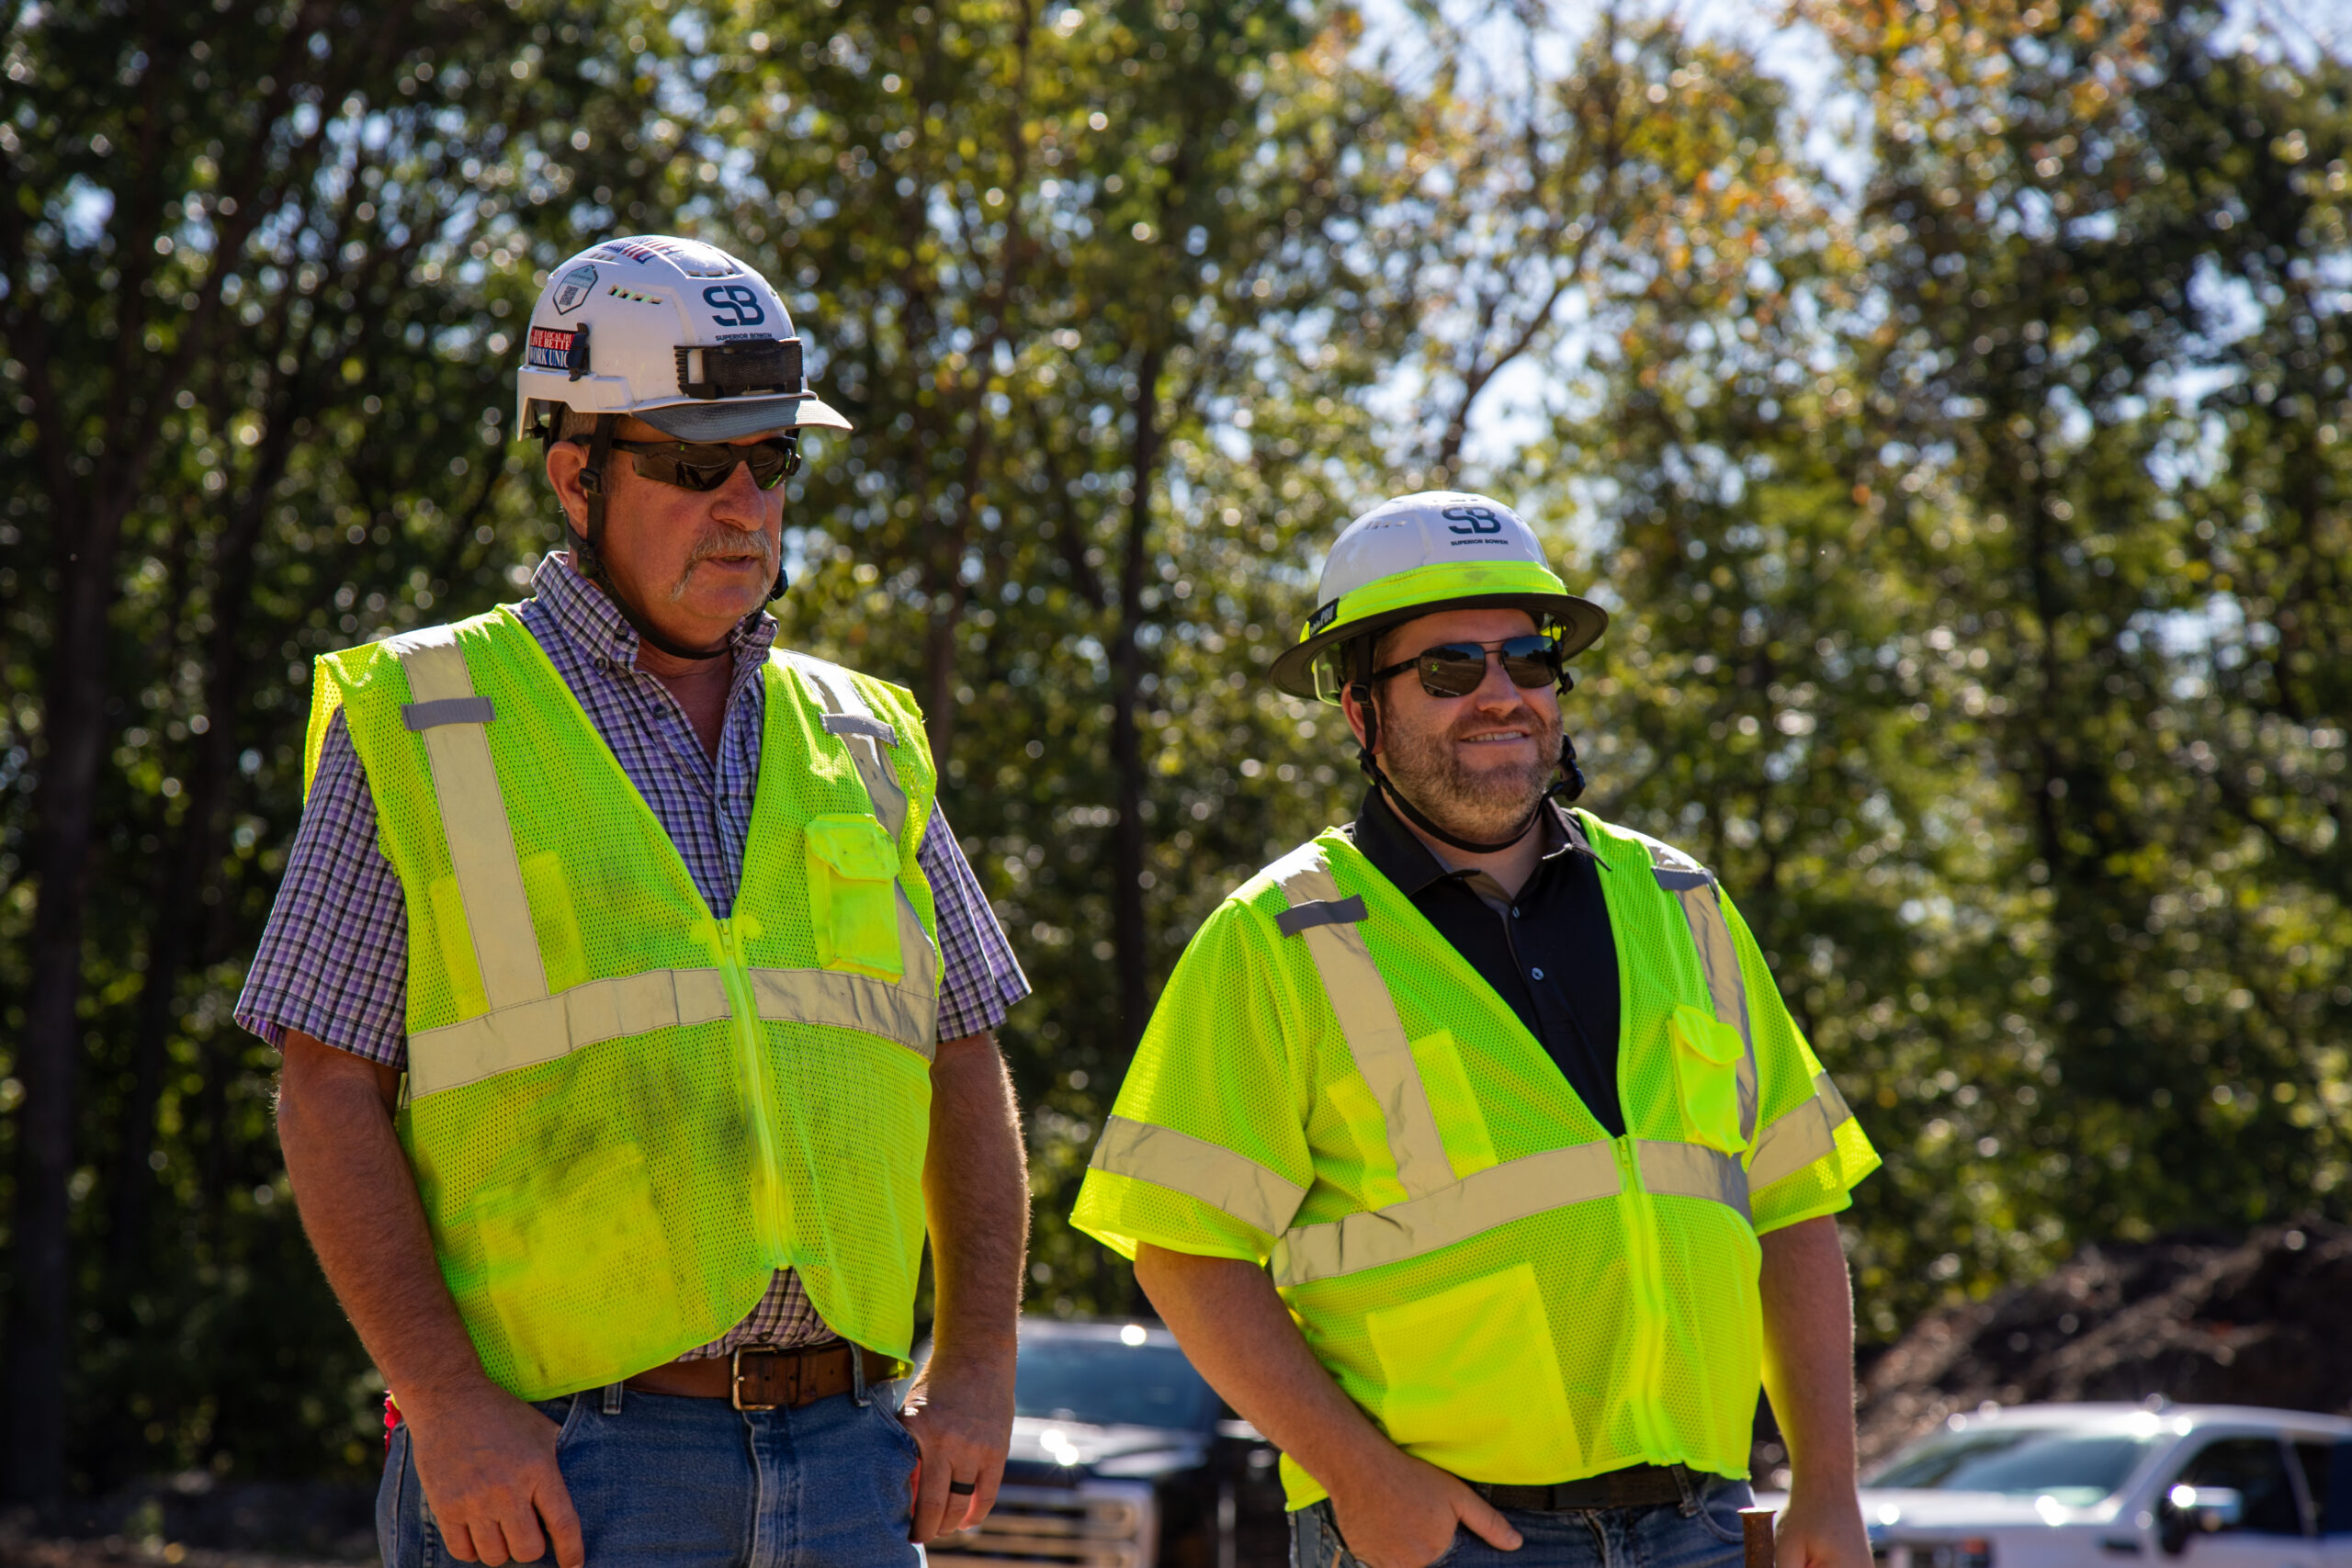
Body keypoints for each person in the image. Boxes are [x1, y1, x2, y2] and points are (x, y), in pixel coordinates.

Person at [239, 235, 1031, 1568]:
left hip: (850, 1455)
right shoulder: (427, 715)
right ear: (575, 474)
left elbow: (960, 1050)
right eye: (691, 462)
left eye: (771, 461)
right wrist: (446, 1403)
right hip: (562, 1463)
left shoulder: (867, 732)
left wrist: (982, 1358)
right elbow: (324, 1088)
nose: (745, 504)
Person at [1071, 492, 1881, 1568]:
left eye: (1528, 660)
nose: (1501, 694)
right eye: (1450, 668)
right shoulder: (1274, 940)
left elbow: (1793, 1206)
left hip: (1698, 1526)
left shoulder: (1682, 903)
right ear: (1360, 710)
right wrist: (1364, 1478)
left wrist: (1828, 1486)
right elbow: (1183, 1249)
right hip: (1446, 1539)